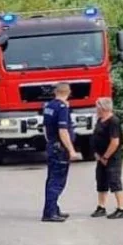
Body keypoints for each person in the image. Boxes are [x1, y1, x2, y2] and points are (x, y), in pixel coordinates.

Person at [42, 82, 83, 222]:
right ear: (68, 92)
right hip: (60, 149)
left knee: (52, 179)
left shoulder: (49, 106)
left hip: (52, 145)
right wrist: (71, 151)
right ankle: (50, 213)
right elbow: (63, 131)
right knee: (57, 181)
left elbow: (46, 129)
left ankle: (53, 208)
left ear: (56, 92)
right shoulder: (62, 108)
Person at [91, 97, 123, 219]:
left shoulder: (113, 121)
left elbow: (115, 142)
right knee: (101, 180)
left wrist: (106, 156)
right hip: (101, 156)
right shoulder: (100, 120)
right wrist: (97, 154)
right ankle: (101, 207)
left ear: (103, 108)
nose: (96, 109)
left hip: (112, 156)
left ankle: (121, 208)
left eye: (98, 107)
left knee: (114, 180)